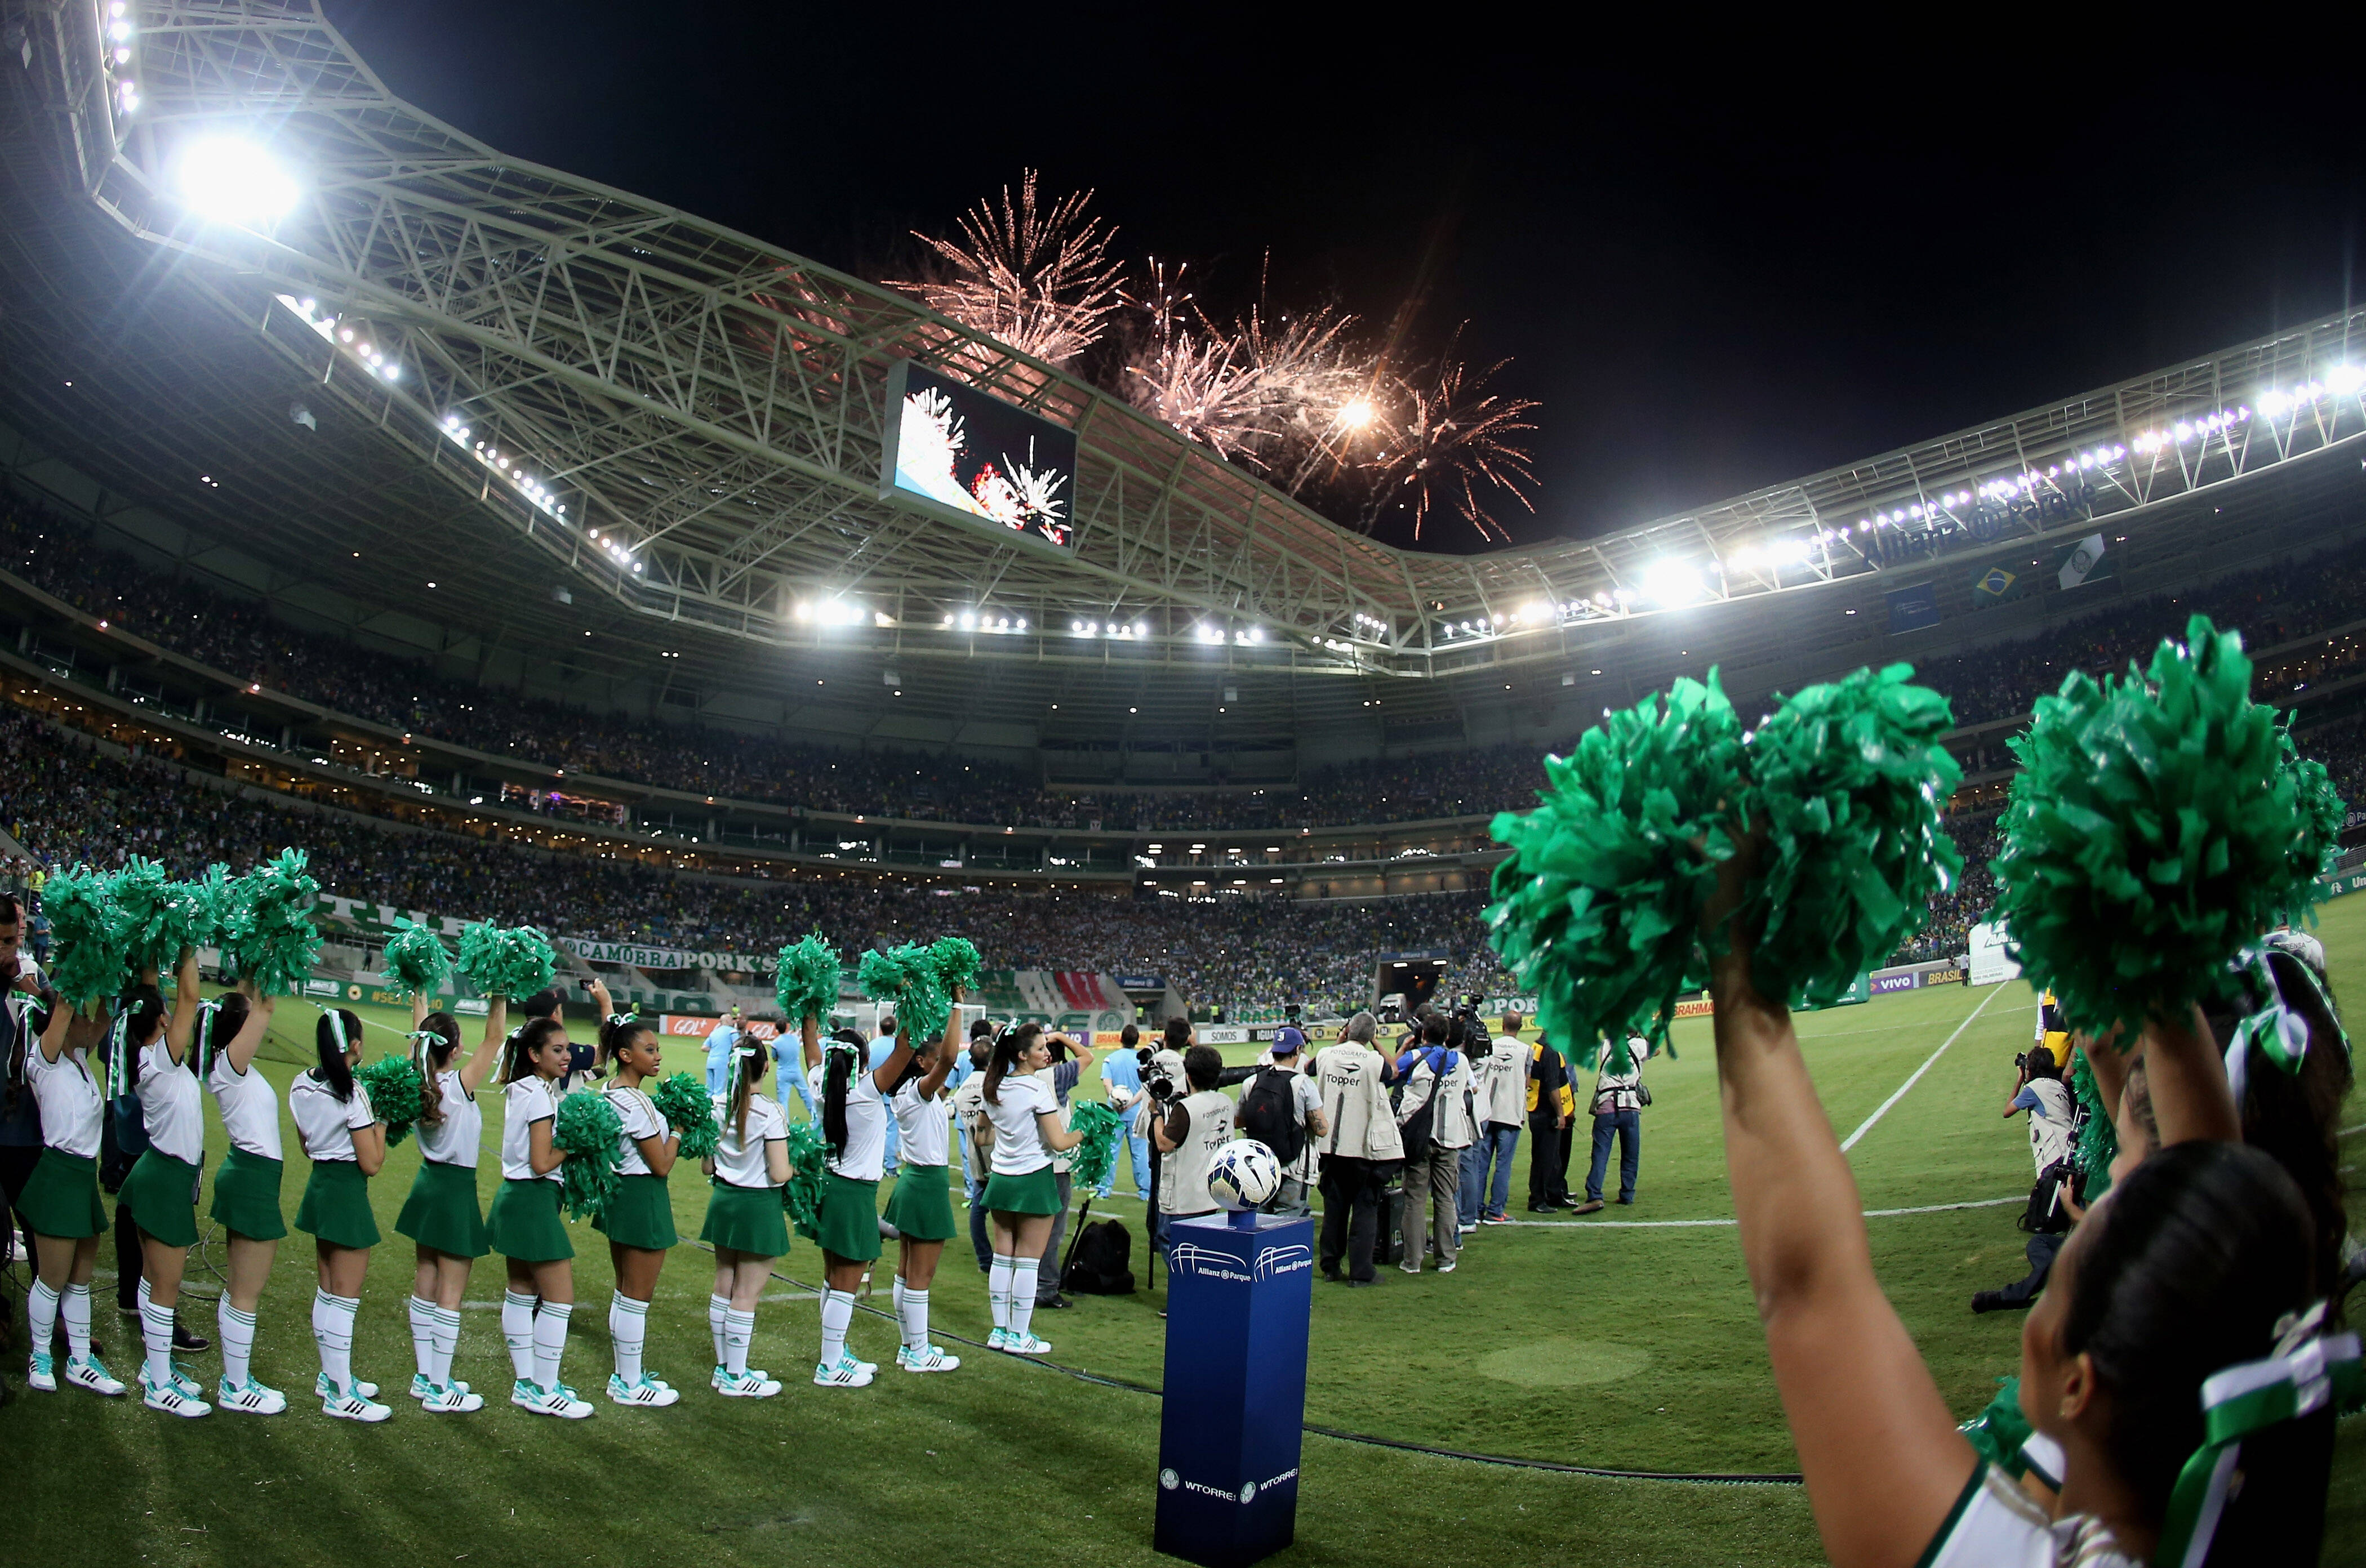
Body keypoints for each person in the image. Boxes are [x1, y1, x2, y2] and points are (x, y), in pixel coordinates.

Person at [1699, 830, 2327, 1567]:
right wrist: (2151, 910)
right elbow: (2203, 1185)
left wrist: (1729, 940)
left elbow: (1806, 1286)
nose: (2098, 1196)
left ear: (2077, 1384)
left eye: (2090, 1233)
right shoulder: (2226, 1425)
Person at [392, 989, 507, 1414]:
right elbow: (495, 1039)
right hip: (456, 1191)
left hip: (427, 1187)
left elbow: (423, 1036)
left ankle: (426, 1376)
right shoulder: (457, 1086)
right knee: (451, 1294)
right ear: (456, 1049)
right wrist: (500, 990)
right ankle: (439, 1387)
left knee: (425, 1282)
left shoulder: (417, 1078)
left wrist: (420, 992)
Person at [16, 983, 127, 1397]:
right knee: (53, 1278)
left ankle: (81, 1361)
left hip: (83, 1176)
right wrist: (79, 965)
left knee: (79, 1282)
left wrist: (105, 972)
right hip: (58, 1175)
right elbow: (62, 1010)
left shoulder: (78, 1057)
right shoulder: (42, 1059)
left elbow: (100, 1021)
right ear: (62, 1023)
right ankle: (40, 1355)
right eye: (79, 1017)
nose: (90, 1026)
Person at [486, 1017, 594, 1419]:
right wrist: (576, 1142)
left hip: (516, 1196)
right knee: (559, 1301)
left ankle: (526, 1384)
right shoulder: (540, 1096)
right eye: (557, 1050)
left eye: (567, 1049)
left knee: (520, 1292)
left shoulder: (523, 1088)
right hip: (532, 1198)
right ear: (534, 1055)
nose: (567, 1057)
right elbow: (542, 1160)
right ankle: (544, 1389)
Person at [110, 975, 208, 1416]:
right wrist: (188, 938)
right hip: (164, 1180)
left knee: (153, 1281)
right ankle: (159, 1385)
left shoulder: (149, 1056)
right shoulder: (161, 1058)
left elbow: (183, 1003)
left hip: (159, 1173)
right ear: (161, 1020)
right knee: (165, 1287)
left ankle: (156, 1369)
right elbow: (191, 996)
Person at [288, 1008, 391, 1422]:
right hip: (347, 1191)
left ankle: (331, 1376)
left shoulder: (300, 1084)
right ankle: (340, 1393)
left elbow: (306, 1144)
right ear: (354, 1045)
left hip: (320, 1186)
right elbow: (372, 1163)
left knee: (328, 1290)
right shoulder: (353, 1093)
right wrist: (382, 1120)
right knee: (344, 1299)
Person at [189, 969, 284, 1413]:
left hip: (250, 1176)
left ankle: (237, 1379)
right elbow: (262, 1007)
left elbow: (247, 1000)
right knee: (247, 1292)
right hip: (251, 1179)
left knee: (239, 1288)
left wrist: (251, 965)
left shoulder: (227, 1063)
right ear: (238, 1030)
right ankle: (236, 1386)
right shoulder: (230, 1063)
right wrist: (276, 951)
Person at [808, 1018, 915, 1387]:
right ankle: (830, 1365)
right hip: (854, 1194)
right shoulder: (868, 1090)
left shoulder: (821, 1085)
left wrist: (808, 1015)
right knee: (845, 1284)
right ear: (864, 1061)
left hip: (830, 1187)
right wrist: (912, 999)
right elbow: (907, 1049)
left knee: (832, 1278)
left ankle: (835, 1354)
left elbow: (811, 1055)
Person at [592, 1013, 683, 1406]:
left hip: (618, 1194)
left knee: (625, 1291)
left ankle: (624, 1376)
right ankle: (629, 1383)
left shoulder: (608, 1091)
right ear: (625, 1055)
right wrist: (679, 1129)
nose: (658, 1056)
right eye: (650, 1050)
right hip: (642, 1195)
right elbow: (661, 1163)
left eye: (658, 1049)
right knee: (637, 1297)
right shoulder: (635, 1102)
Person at [699, 1026, 791, 1398]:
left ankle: (725, 1368)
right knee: (746, 1294)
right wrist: (798, 1168)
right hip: (757, 1206)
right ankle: (736, 1376)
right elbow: (780, 1172)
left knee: (724, 1284)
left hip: (724, 1201)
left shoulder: (714, 1105)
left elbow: (707, 1167)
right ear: (765, 1069)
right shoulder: (770, 1111)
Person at [981, 1023, 1084, 1355]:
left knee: (1002, 1256)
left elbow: (983, 1134)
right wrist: (1087, 1131)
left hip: (1001, 1177)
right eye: (1040, 1048)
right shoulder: (1037, 1089)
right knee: (1028, 1261)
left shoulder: (994, 1085)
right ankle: (1020, 1335)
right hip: (1033, 1178)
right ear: (1022, 1054)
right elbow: (1058, 1143)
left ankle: (999, 1331)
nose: (1047, 1053)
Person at [881, 1004, 963, 1373]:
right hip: (926, 1185)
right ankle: (919, 1352)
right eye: (932, 1060)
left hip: (913, 1181)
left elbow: (944, 1063)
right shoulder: (918, 1092)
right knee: (920, 1276)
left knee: (905, 1270)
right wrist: (957, 1004)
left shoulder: (907, 1093)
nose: (942, 1066)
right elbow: (948, 1057)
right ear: (921, 1062)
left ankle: (908, 1346)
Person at [1311, 1013, 1402, 1285]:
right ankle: (1361, 1273)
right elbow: (1393, 1072)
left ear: (1348, 1030)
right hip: (1362, 1149)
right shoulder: (1374, 1061)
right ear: (1371, 1035)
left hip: (1330, 1148)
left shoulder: (1327, 1054)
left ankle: (1330, 1267)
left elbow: (1308, 1068)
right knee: (1364, 1212)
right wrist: (1375, 1043)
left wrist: (1341, 1041)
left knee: (1334, 1211)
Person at [1393, 1016, 1472, 1273]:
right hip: (1450, 1136)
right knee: (1445, 1198)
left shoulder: (1415, 1058)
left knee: (1415, 1199)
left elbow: (1389, 1073)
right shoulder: (1461, 1061)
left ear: (1423, 1034)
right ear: (1447, 1036)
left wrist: (1404, 1050)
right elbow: (1474, 1089)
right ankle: (1446, 1258)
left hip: (1418, 1137)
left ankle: (1413, 1260)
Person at [1151, 1041, 1234, 1266]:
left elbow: (1164, 1144)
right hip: (1213, 1191)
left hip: (1184, 1195)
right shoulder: (1226, 1102)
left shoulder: (1185, 1109)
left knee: (1174, 1245)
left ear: (1188, 1075)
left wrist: (1156, 1114)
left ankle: (1187, 1294)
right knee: (1206, 1248)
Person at [1031, 1028, 1096, 1314]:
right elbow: (1087, 1056)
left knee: (1030, 1230)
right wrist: (1059, 1036)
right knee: (1053, 1232)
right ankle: (1045, 1288)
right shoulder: (1053, 1077)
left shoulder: (1026, 1079)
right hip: (1054, 1165)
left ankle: (1029, 1284)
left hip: (1031, 1163)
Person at [1239, 1025, 1324, 1215]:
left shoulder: (1252, 1081)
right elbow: (1322, 1129)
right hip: (1294, 1166)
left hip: (1259, 1165)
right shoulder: (1304, 1084)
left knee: (1260, 1224)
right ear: (1297, 1050)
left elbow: (1239, 1121)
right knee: (1288, 1229)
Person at [1574, 1034, 1648, 1214]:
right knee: (1631, 1153)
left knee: (1600, 1153)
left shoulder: (1608, 1043)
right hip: (1630, 1106)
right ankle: (1627, 1194)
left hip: (1607, 1105)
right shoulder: (1639, 1045)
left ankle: (1595, 1195)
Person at [1468, 1016, 1524, 1224]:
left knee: (1481, 1164)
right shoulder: (1526, 1050)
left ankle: (1475, 1210)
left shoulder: (1490, 1046)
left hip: (1487, 1112)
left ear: (1502, 1026)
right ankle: (1496, 1211)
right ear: (1520, 1027)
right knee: (1503, 1165)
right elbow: (1527, 1080)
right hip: (1511, 1113)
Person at [951, 1030, 995, 1272]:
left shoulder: (962, 1091)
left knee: (978, 1208)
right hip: (999, 1157)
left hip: (976, 1159)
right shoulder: (996, 1086)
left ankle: (984, 1259)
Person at [1096, 1022, 1153, 1199]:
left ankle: (1103, 1190)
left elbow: (1107, 1083)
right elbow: (1145, 1087)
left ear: (1120, 1039)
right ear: (1137, 1040)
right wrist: (1130, 1103)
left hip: (1114, 1113)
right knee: (1140, 1153)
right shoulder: (1142, 1061)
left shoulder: (1111, 1059)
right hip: (1136, 1113)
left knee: (1110, 1151)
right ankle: (1145, 1192)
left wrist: (1117, 1101)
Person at [1524, 1035, 1576, 1212]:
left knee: (1549, 1157)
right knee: (1544, 1158)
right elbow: (1553, 1085)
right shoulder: (1551, 1051)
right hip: (1547, 1112)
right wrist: (1561, 1114)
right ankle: (1538, 1200)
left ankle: (1554, 1194)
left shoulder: (1537, 1046)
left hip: (1537, 1107)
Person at [2005, 1045, 2074, 1177]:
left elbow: (2007, 1111)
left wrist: (2020, 1079)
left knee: (2049, 1195)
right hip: (2069, 1144)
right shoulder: (2058, 1085)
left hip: (2054, 1152)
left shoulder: (2033, 1089)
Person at [867, 1013, 902, 1174]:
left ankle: (874, 1162)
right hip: (893, 1094)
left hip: (873, 1093)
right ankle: (890, 1165)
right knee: (892, 1130)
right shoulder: (898, 1046)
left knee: (875, 1130)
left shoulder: (871, 1045)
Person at [768, 1013, 817, 1120]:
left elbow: (774, 1058)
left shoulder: (775, 1043)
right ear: (787, 1027)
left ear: (777, 1029)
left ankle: (785, 1125)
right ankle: (816, 1118)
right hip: (796, 1072)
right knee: (806, 1096)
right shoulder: (795, 1039)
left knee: (783, 1100)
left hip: (783, 1073)